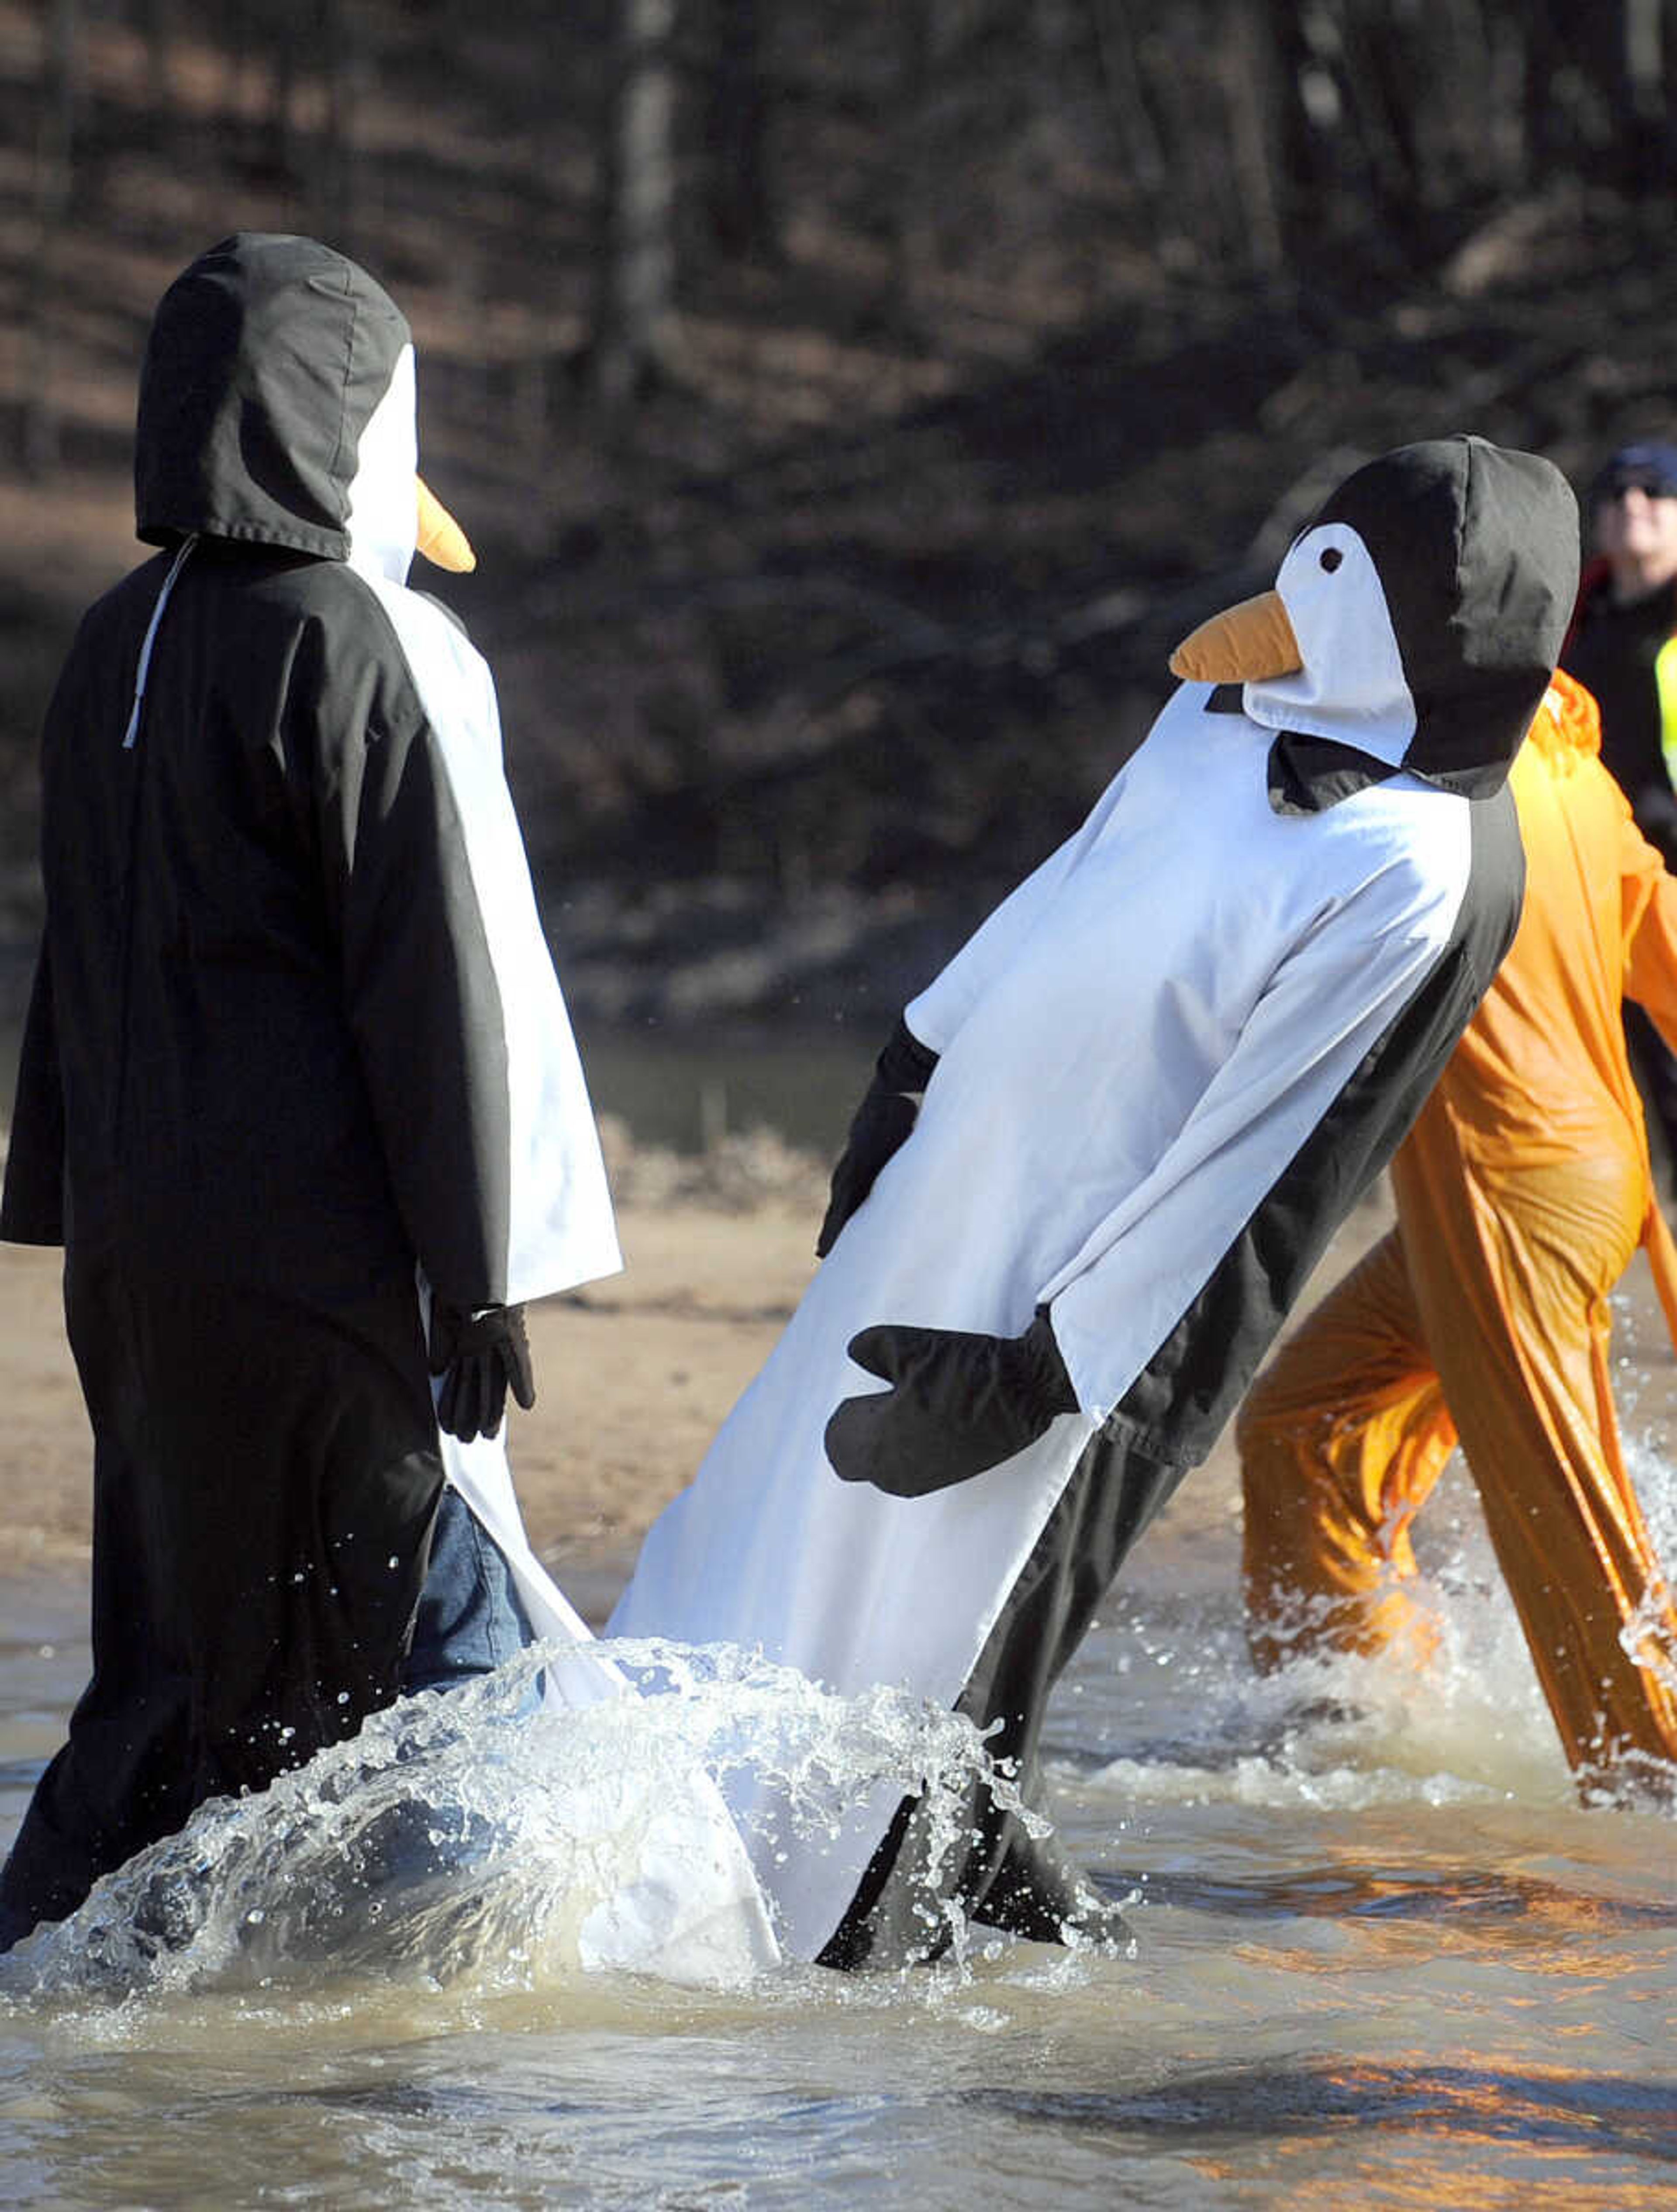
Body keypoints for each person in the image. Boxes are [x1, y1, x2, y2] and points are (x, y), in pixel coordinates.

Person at [609, 435, 1580, 1966]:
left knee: (945, 1634)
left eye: (1330, 584)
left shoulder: (1427, 863)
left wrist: (1042, 1373)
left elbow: (1255, 1164)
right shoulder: (1217, 707)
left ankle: (863, 2001)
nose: (1267, 612)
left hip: (1093, 1299)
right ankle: (650, 1824)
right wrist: (915, 1054)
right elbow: (1072, 875)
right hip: (948, 1191)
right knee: (766, 1500)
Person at [0, 234, 623, 1953]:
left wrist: (59, 1205)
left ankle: (67, 1990)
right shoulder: (350, 642)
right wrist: (480, 1268)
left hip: (138, 1268)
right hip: (318, 1256)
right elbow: (426, 985)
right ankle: (425, 2054)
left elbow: (75, 963)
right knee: (451, 1674)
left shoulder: (110, 641)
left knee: (180, 1659)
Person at [1238, 668, 1677, 1797]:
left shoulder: (1436, 774)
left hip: (1509, 1186)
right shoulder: (1578, 774)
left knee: (1564, 1517)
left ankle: (1653, 1777)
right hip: (1551, 1180)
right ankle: (1355, 1716)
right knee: (1306, 1425)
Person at [1561, 439, 1677, 1186]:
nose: (1631, 504)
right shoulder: (1575, 619)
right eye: (1616, 493)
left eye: (1654, 491)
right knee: (1652, 1080)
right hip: (1604, 880)